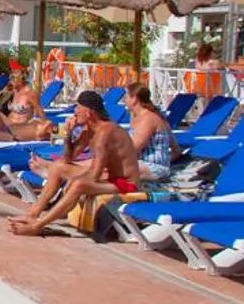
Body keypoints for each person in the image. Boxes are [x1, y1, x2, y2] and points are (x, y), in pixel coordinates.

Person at [11, 90, 143, 236]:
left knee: (79, 184)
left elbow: (94, 174)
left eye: (78, 108)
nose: (74, 112)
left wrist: (72, 183)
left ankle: (39, 225)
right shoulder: (88, 131)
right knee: (58, 167)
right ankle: (32, 214)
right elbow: (68, 158)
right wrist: (67, 134)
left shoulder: (105, 133)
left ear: (88, 112)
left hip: (126, 184)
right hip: (109, 177)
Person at [126, 83, 175, 181]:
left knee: (105, 170)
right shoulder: (136, 117)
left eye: (126, 96)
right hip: (141, 163)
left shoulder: (149, 119)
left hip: (154, 167)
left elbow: (132, 149)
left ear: (134, 98)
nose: (124, 100)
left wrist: (162, 162)